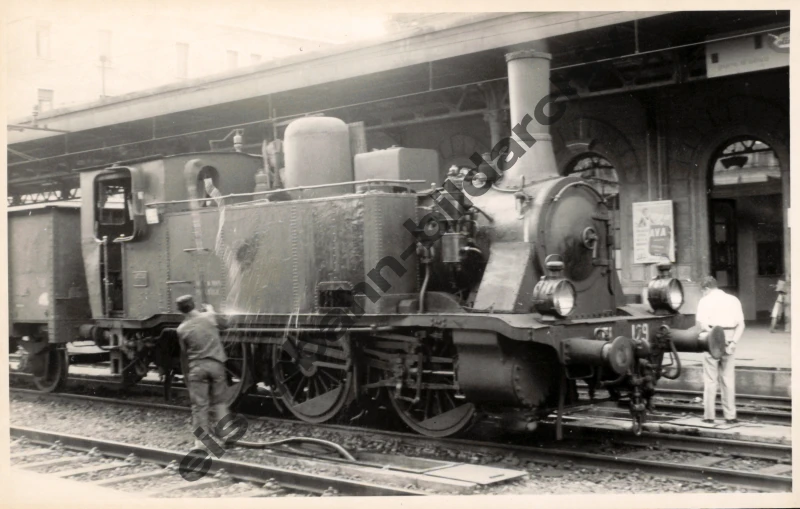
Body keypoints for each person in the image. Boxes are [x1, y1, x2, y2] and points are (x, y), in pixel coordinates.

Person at [175, 295, 229, 449]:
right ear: (194, 305)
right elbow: (225, 324)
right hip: (217, 366)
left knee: (200, 405)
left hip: (197, 368)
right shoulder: (209, 317)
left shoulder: (181, 329)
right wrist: (212, 311)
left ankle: (201, 443)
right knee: (220, 402)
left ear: (180, 311)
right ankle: (227, 435)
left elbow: (184, 353)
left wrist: (187, 374)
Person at [695, 276, 745, 424]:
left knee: (710, 380)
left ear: (706, 289)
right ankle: (730, 416)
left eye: (702, 291)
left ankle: (709, 416)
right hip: (730, 339)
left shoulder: (704, 301)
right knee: (728, 379)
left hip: (711, 339)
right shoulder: (733, 300)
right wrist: (734, 342)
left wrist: (713, 335)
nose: (703, 294)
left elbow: (702, 325)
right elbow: (741, 325)